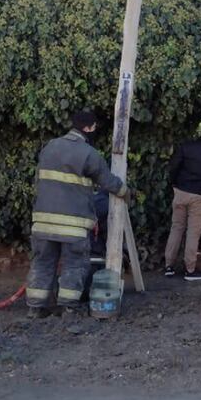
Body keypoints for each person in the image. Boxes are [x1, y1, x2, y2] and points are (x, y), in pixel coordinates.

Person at [26, 110, 129, 318]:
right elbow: (108, 181)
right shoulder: (88, 153)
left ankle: (35, 308)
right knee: (74, 264)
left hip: (43, 222)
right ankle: (68, 307)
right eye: (94, 127)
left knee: (42, 262)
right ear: (88, 128)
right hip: (73, 225)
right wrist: (125, 192)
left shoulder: (50, 147)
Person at [164, 124, 201, 280]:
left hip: (181, 191)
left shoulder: (187, 146)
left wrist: (175, 184)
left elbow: (173, 167)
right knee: (193, 233)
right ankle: (190, 270)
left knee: (176, 228)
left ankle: (169, 266)